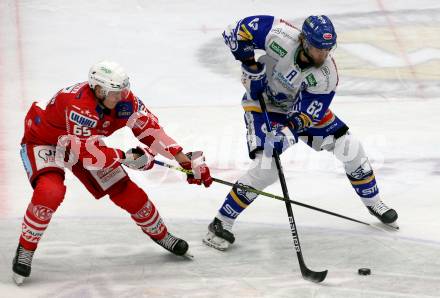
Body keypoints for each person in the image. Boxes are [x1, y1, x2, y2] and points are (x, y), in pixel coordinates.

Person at [203, 15, 398, 251]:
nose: (323, 55)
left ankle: (374, 202)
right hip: (265, 106)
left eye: (327, 49)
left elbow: (307, 116)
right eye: (318, 49)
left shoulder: (327, 75)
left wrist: (285, 136)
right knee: (267, 169)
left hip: (299, 110)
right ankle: (221, 222)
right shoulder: (279, 35)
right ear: (304, 40)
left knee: (351, 148)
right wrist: (250, 65)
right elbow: (235, 30)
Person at [13, 60, 213, 285]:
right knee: (50, 192)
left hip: (82, 143)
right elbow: (90, 157)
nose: (123, 97)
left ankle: (162, 235)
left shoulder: (124, 100)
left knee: (128, 192)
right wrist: (128, 157)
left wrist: (182, 158)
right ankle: (26, 248)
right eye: (116, 92)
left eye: (124, 90)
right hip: (44, 141)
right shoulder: (80, 107)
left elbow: (151, 130)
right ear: (98, 90)